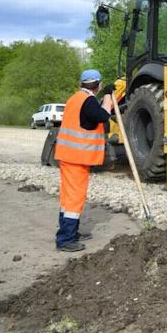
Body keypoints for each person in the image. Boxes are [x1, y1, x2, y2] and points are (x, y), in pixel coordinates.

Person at [54, 69, 115, 251]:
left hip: (68, 155)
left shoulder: (75, 98)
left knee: (67, 198)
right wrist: (107, 99)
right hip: (76, 157)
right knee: (74, 198)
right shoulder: (88, 101)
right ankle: (65, 240)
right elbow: (102, 116)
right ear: (98, 84)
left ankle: (70, 233)